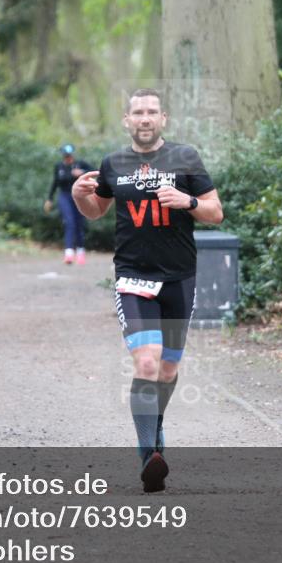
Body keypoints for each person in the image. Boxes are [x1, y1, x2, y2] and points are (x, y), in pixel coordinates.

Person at [72, 89, 223, 492]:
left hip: (179, 278)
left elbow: (215, 211)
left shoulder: (186, 159)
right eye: (137, 112)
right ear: (127, 120)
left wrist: (186, 200)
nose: (144, 118)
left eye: (151, 112)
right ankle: (148, 457)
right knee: (147, 363)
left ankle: (155, 432)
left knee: (169, 369)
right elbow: (97, 210)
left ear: (163, 118)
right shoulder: (113, 164)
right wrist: (77, 196)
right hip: (133, 277)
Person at [44, 144, 94, 265]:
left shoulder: (80, 164)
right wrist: (49, 199)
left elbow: (95, 171)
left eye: (69, 156)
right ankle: (69, 253)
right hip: (65, 196)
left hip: (80, 196)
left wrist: (82, 172)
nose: (68, 158)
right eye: (66, 156)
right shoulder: (59, 167)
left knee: (79, 223)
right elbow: (55, 182)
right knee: (69, 222)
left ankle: (81, 252)